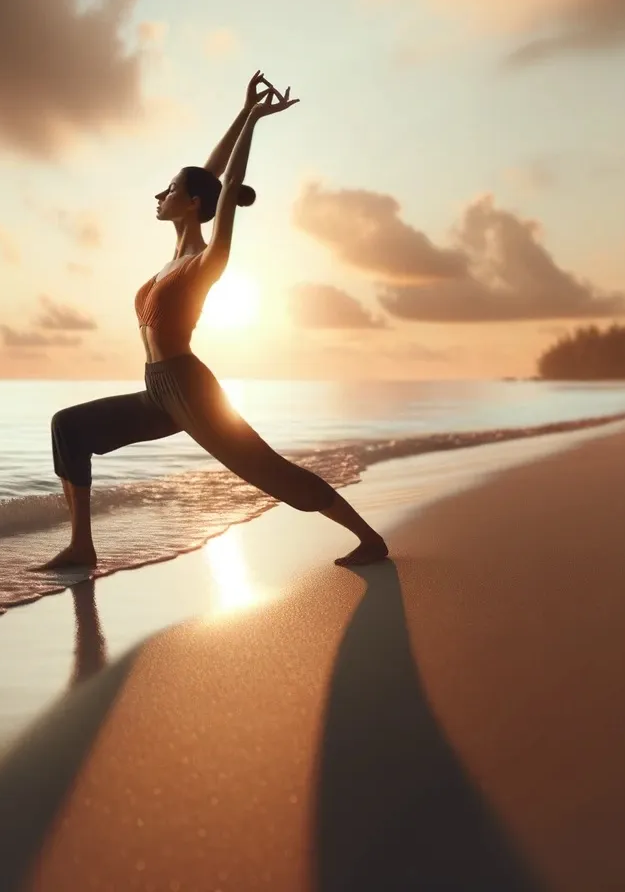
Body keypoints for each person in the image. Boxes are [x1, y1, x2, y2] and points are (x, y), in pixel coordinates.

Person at [37, 71, 390, 572]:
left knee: (268, 470)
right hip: (157, 389)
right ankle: (81, 547)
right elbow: (208, 175)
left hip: (189, 388)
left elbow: (223, 190)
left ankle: (369, 538)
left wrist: (255, 121)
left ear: (193, 204)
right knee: (69, 428)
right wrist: (241, 112)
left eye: (169, 190)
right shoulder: (171, 258)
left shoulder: (206, 261)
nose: (159, 196)